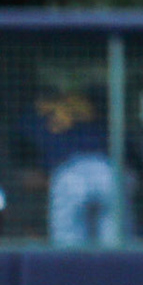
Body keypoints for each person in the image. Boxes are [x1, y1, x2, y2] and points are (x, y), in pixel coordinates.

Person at [20, 86, 124, 246]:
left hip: (70, 173)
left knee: (68, 247)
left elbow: (32, 172)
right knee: (115, 245)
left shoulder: (34, 118)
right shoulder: (104, 116)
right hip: (107, 170)